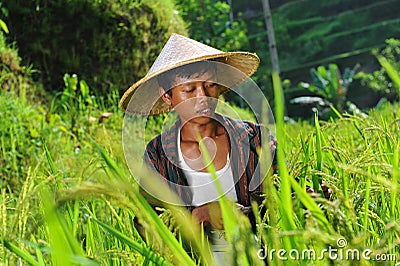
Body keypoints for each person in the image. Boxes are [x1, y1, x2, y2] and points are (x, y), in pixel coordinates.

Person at [119, 33, 277, 264]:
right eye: (189, 90)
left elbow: (283, 199)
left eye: (210, 85)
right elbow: (147, 224)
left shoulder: (255, 139)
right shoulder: (158, 155)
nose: (202, 97)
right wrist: (198, 216)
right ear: (168, 96)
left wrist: (314, 201)